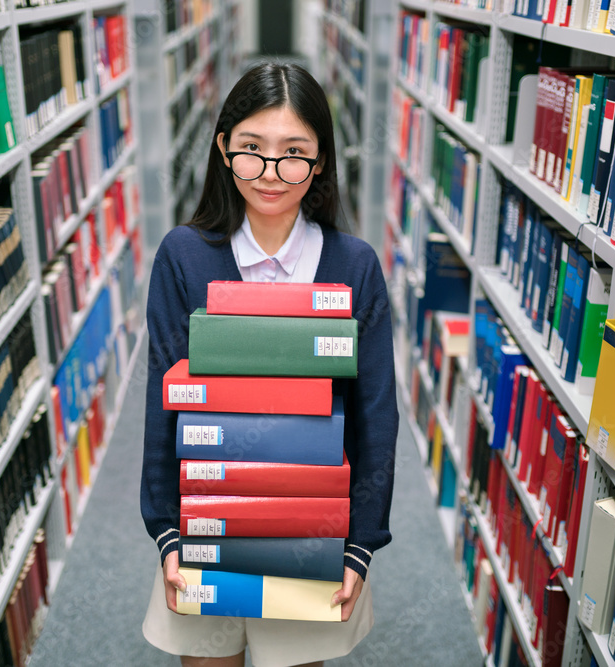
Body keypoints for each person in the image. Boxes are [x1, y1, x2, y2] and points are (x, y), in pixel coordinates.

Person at [140, 61, 399, 667]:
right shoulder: (184, 257)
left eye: (294, 153)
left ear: (322, 162)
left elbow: (375, 418)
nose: (272, 173)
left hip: (313, 535)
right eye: (252, 149)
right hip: (204, 524)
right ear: (223, 150)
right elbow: (163, 402)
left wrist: (360, 545)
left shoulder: (354, 267)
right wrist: (166, 531)